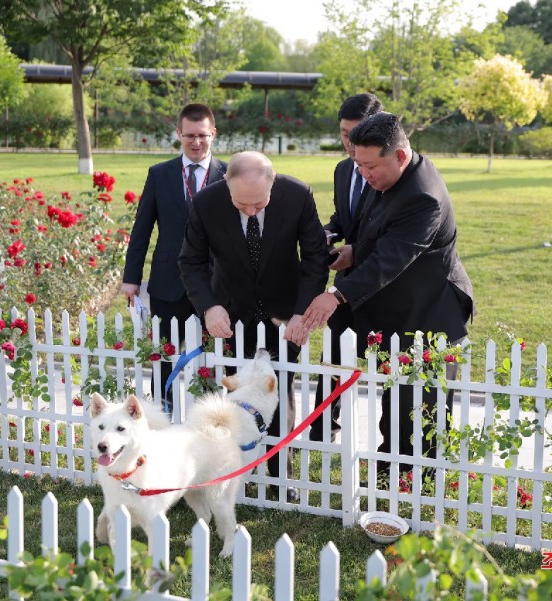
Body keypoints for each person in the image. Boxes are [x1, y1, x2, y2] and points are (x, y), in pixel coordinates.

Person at [302, 112, 475, 481]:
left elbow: (391, 258)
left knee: (418, 407)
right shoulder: (388, 176)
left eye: (370, 166)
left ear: (399, 155)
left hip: (430, 313)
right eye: (358, 164)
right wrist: (354, 252)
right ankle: (389, 474)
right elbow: (378, 233)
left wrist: (337, 295)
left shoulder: (423, 196)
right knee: (395, 398)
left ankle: (414, 482)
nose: (363, 173)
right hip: (398, 308)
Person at [178, 151, 328, 502]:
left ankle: (281, 478)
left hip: (284, 317)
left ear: (272, 184)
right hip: (231, 315)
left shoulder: (298, 195)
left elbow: (315, 258)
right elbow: (191, 261)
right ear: (226, 185)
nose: (249, 211)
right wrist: (210, 307)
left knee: (280, 392)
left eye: (258, 203)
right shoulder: (206, 203)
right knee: (236, 396)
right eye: (240, 203)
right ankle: (235, 472)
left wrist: (301, 312)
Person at [121, 103, 228, 402]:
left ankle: (207, 417)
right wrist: (131, 278)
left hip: (214, 284)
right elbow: (142, 229)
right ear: (179, 134)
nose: (197, 142)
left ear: (213, 133)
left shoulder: (229, 174)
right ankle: (162, 413)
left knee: (210, 361)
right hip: (168, 283)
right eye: (190, 135)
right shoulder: (159, 174)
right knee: (163, 358)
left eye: (203, 135)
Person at [309, 93, 384, 443]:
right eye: (344, 134)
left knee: (388, 366)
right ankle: (323, 428)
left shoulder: (389, 173)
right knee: (333, 357)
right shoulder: (342, 170)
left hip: (384, 281)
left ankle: (391, 441)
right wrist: (328, 232)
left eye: (358, 135)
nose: (351, 144)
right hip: (346, 281)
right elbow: (344, 218)